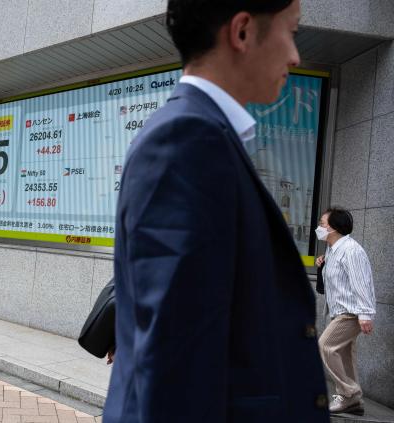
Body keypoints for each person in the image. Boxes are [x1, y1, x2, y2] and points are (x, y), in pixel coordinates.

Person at [105, 0, 330, 421]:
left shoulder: (205, 135)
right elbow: (174, 360)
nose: (295, 55)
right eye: (292, 31)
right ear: (242, 31)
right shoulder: (186, 140)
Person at [315, 207, 375, 415]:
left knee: (326, 346)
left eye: (322, 224)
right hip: (339, 310)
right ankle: (354, 403)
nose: (319, 227)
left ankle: (349, 393)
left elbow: (361, 283)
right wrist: (322, 264)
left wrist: (365, 314)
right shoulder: (333, 250)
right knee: (343, 354)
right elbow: (332, 284)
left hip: (351, 312)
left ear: (333, 227)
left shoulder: (351, 250)